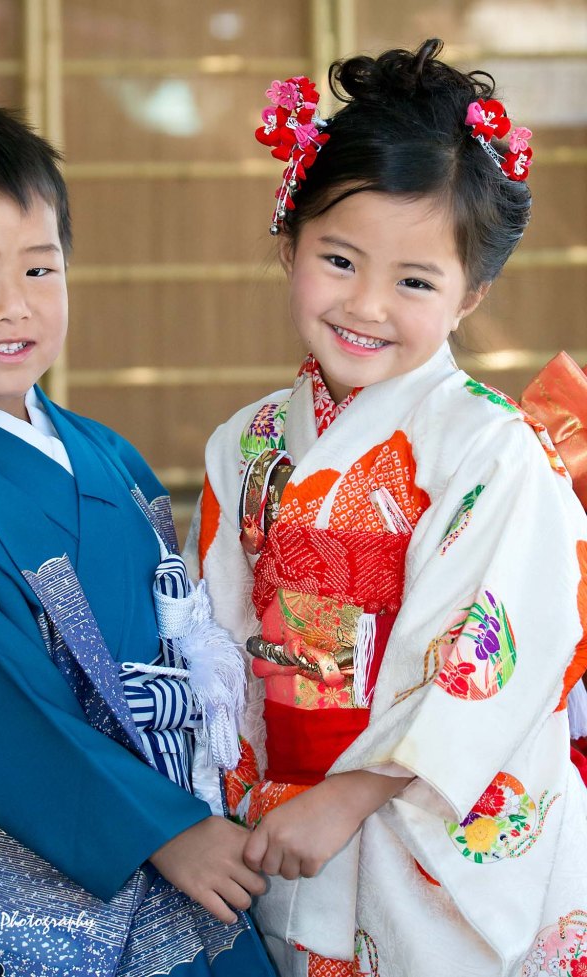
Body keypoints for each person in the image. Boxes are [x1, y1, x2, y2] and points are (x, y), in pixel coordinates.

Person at [0, 97, 274, 977]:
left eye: (40, 269)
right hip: (92, 843)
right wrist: (161, 827)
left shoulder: (105, 454)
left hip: (177, 806)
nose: (13, 306)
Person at [183, 39, 587, 977]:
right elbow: (219, 640)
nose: (366, 304)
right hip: (288, 806)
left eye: (414, 280)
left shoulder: (490, 447)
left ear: (470, 295)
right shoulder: (244, 445)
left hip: (421, 812)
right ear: (289, 244)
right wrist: (235, 791)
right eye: (338, 259)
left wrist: (356, 786)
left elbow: (502, 642)